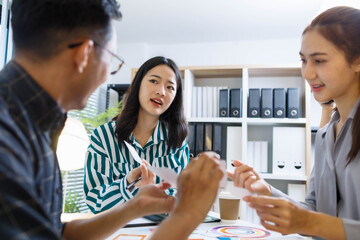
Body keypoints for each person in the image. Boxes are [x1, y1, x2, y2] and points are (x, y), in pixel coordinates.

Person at [0, 1, 223, 239]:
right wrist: (189, 214)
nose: (108, 74)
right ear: (84, 54)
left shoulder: (35, 123)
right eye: (111, 59)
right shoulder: (9, 138)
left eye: (170, 87)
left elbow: (56, 233)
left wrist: (137, 205)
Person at [229, 6, 360, 240]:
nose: (307, 73)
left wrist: (311, 221)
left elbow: (314, 221)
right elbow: (314, 211)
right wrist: (267, 191)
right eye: (303, 60)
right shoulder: (324, 136)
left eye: (319, 60)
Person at [84, 56, 189, 213]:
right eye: (154, 81)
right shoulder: (103, 137)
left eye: (170, 87)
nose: (161, 92)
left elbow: (183, 200)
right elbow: (95, 202)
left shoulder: (177, 142)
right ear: (138, 84)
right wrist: (127, 183)